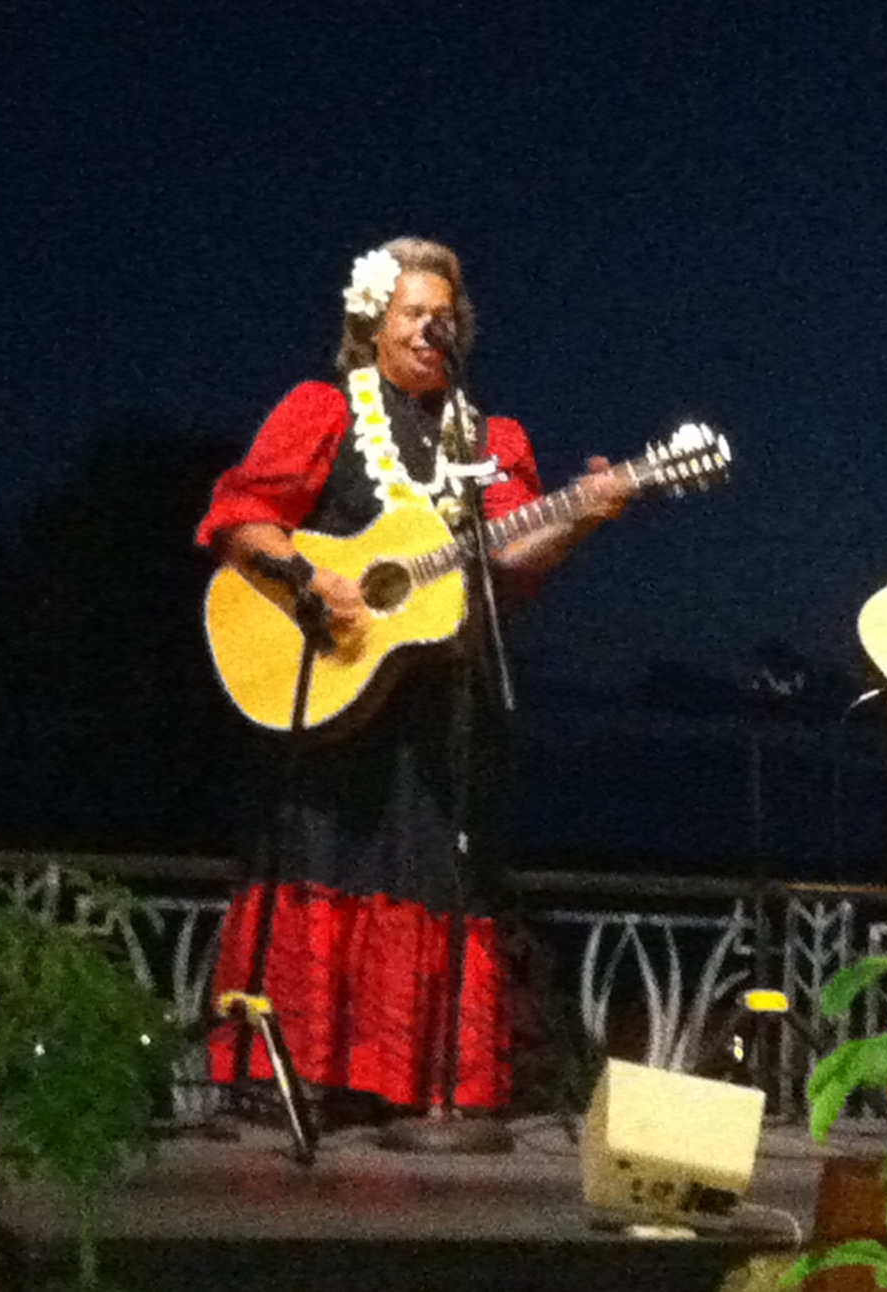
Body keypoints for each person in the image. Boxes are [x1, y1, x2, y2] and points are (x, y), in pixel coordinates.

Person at [195, 237, 629, 1131]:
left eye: (446, 315)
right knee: (320, 864)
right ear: (372, 323)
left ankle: (413, 1085)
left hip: (441, 713)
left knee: (433, 879)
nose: (433, 328)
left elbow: (510, 557)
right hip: (329, 682)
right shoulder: (323, 411)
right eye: (413, 313)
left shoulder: (491, 439)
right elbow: (241, 517)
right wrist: (314, 583)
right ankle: (295, 1075)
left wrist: (583, 517)